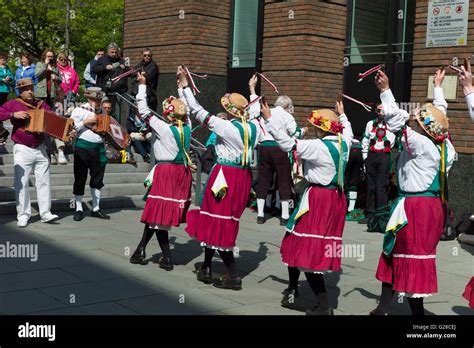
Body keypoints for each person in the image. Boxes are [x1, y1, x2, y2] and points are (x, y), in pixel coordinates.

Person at [370, 69, 456, 316]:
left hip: (414, 207)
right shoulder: (443, 146)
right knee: (396, 250)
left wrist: (385, 91)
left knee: (408, 254)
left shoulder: (421, 145)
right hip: (429, 207)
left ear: (424, 130)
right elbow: (440, 115)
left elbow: (396, 123)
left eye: (419, 122)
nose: (415, 124)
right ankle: (384, 308)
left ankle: (417, 317)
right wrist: (438, 88)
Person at [261, 97, 353, 315]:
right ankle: (296, 289)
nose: (312, 131)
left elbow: (287, 144)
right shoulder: (346, 142)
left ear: (320, 129)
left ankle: (323, 306)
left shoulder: (317, 146)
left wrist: (269, 120)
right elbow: (347, 129)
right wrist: (342, 114)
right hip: (335, 199)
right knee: (304, 241)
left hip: (318, 199)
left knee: (307, 247)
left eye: (314, 127)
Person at [179, 66, 260, 290]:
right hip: (243, 177)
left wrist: (186, 86)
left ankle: (233, 275)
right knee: (220, 219)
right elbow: (254, 113)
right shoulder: (254, 127)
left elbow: (196, 110)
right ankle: (206, 266)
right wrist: (252, 91)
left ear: (230, 111)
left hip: (224, 176)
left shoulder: (225, 126)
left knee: (219, 220)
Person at [129, 72, 194, 271]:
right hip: (180, 173)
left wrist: (142, 85)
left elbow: (143, 110)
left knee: (160, 215)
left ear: (168, 114)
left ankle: (167, 257)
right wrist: (182, 89)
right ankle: (141, 249)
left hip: (166, 172)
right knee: (158, 213)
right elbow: (188, 109)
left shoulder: (164, 129)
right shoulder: (188, 126)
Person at [0, 78, 60, 227]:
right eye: (26, 89)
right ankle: (23, 214)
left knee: (44, 182)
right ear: (20, 91)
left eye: (31, 88)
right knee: (21, 182)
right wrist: (13, 115)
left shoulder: (41, 104)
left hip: (40, 148)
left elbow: (53, 117)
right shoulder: (13, 104)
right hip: (22, 148)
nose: (30, 91)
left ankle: (45, 213)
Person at [249, 74, 307, 226]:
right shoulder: (287, 116)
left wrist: (252, 89)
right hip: (280, 148)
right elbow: (295, 133)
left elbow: (254, 113)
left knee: (263, 179)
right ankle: (284, 215)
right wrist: (304, 131)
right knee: (283, 180)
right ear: (287, 105)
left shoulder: (266, 112)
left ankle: (261, 214)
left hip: (264, 148)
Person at [70, 87, 110, 222]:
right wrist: (84, 123)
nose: (97, 102)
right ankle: (79, 209)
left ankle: (96, 208)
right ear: (88, 98)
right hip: (83, 147)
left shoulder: (104, 112)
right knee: (80, 177)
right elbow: (70, 129)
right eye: (94, 99)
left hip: (99, 148)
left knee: (97, 179)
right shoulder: (79, 110)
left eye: (99, 99)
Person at [360, 102, 396, 223]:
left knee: (381, 185)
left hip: (384, 155)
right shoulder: (370, 124)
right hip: (371, 156)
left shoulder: (392, 124)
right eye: (378, 110)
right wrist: (365, 157)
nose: (380, 113)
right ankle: (369, 213)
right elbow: (365, 140)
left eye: (382, 110)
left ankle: (381, 214)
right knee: (371, 185)